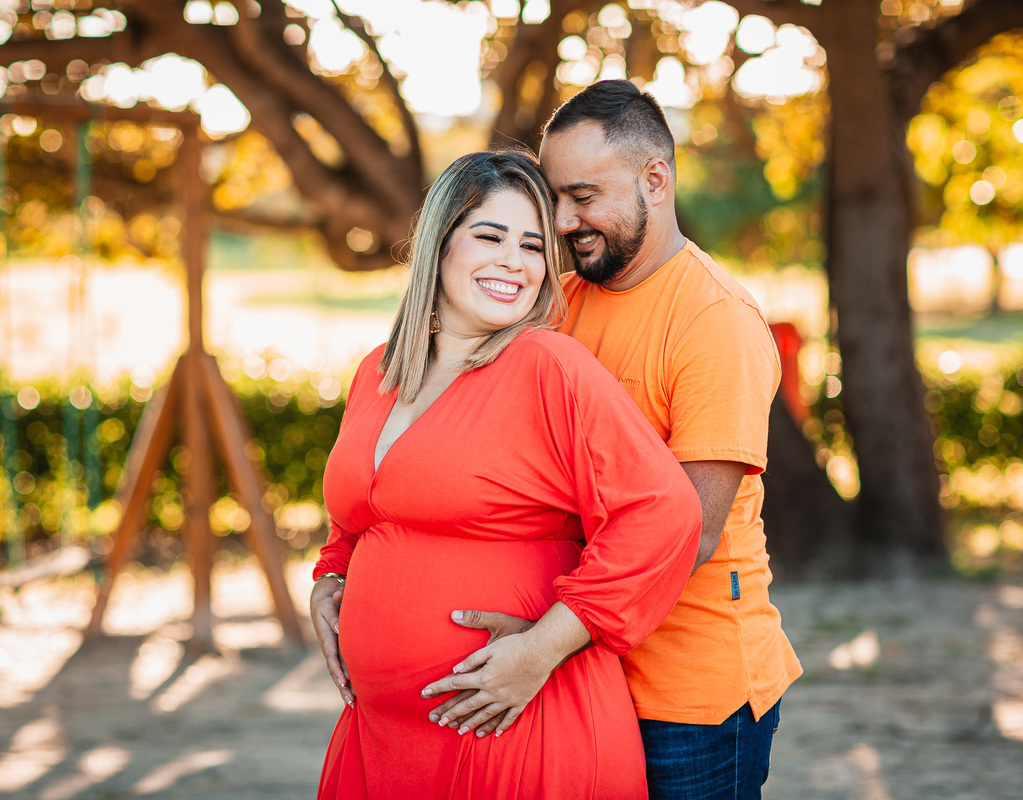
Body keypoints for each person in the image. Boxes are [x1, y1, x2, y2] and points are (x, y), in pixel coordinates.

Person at [422, 81, 802, 799]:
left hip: (688, 696)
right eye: (554, 199)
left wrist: (542, 643)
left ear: (656, 179)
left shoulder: (715, 323)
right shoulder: (560, 304)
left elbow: (687, 534)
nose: (562, 221)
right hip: (578, 669)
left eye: (583, 195)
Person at [308, 149, 702, 799]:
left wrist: (542, 649)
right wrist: (330, 579)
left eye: (531, 245)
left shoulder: (549, 366)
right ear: (439, 244)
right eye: (489, 236)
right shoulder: (379, 371)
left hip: (516, 724)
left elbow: (663, 513)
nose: (514, 263)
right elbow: (359, 515)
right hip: (385, 737)